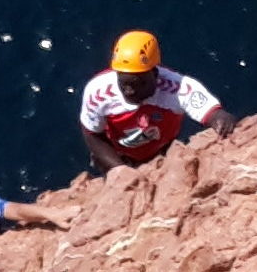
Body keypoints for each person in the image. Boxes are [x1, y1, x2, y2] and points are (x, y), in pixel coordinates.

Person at [80, 30, 235, 171]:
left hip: (163, 151)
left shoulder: (175, 87)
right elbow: (93, 134)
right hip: (118, 156)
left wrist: (219, 119)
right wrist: (120, 170)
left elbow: (212, 113)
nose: (129, 91)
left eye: (138, 83)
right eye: (123, 83)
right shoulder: (98, 92)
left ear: (155, 73)